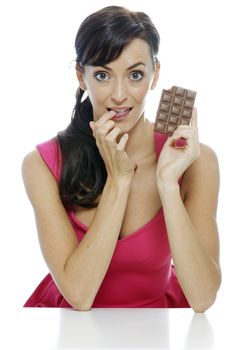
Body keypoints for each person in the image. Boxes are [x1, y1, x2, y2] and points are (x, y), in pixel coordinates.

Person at [22, 5, 221, 311]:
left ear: (155, 75)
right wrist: (119, 180)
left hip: (152, 331)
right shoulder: (42, 165)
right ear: (80, 75)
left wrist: (168, 184)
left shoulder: (195, 162)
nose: (118, 95)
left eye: (135, 75)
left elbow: (203, 298)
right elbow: (79, 294)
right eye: (102, 75)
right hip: (64, 330)